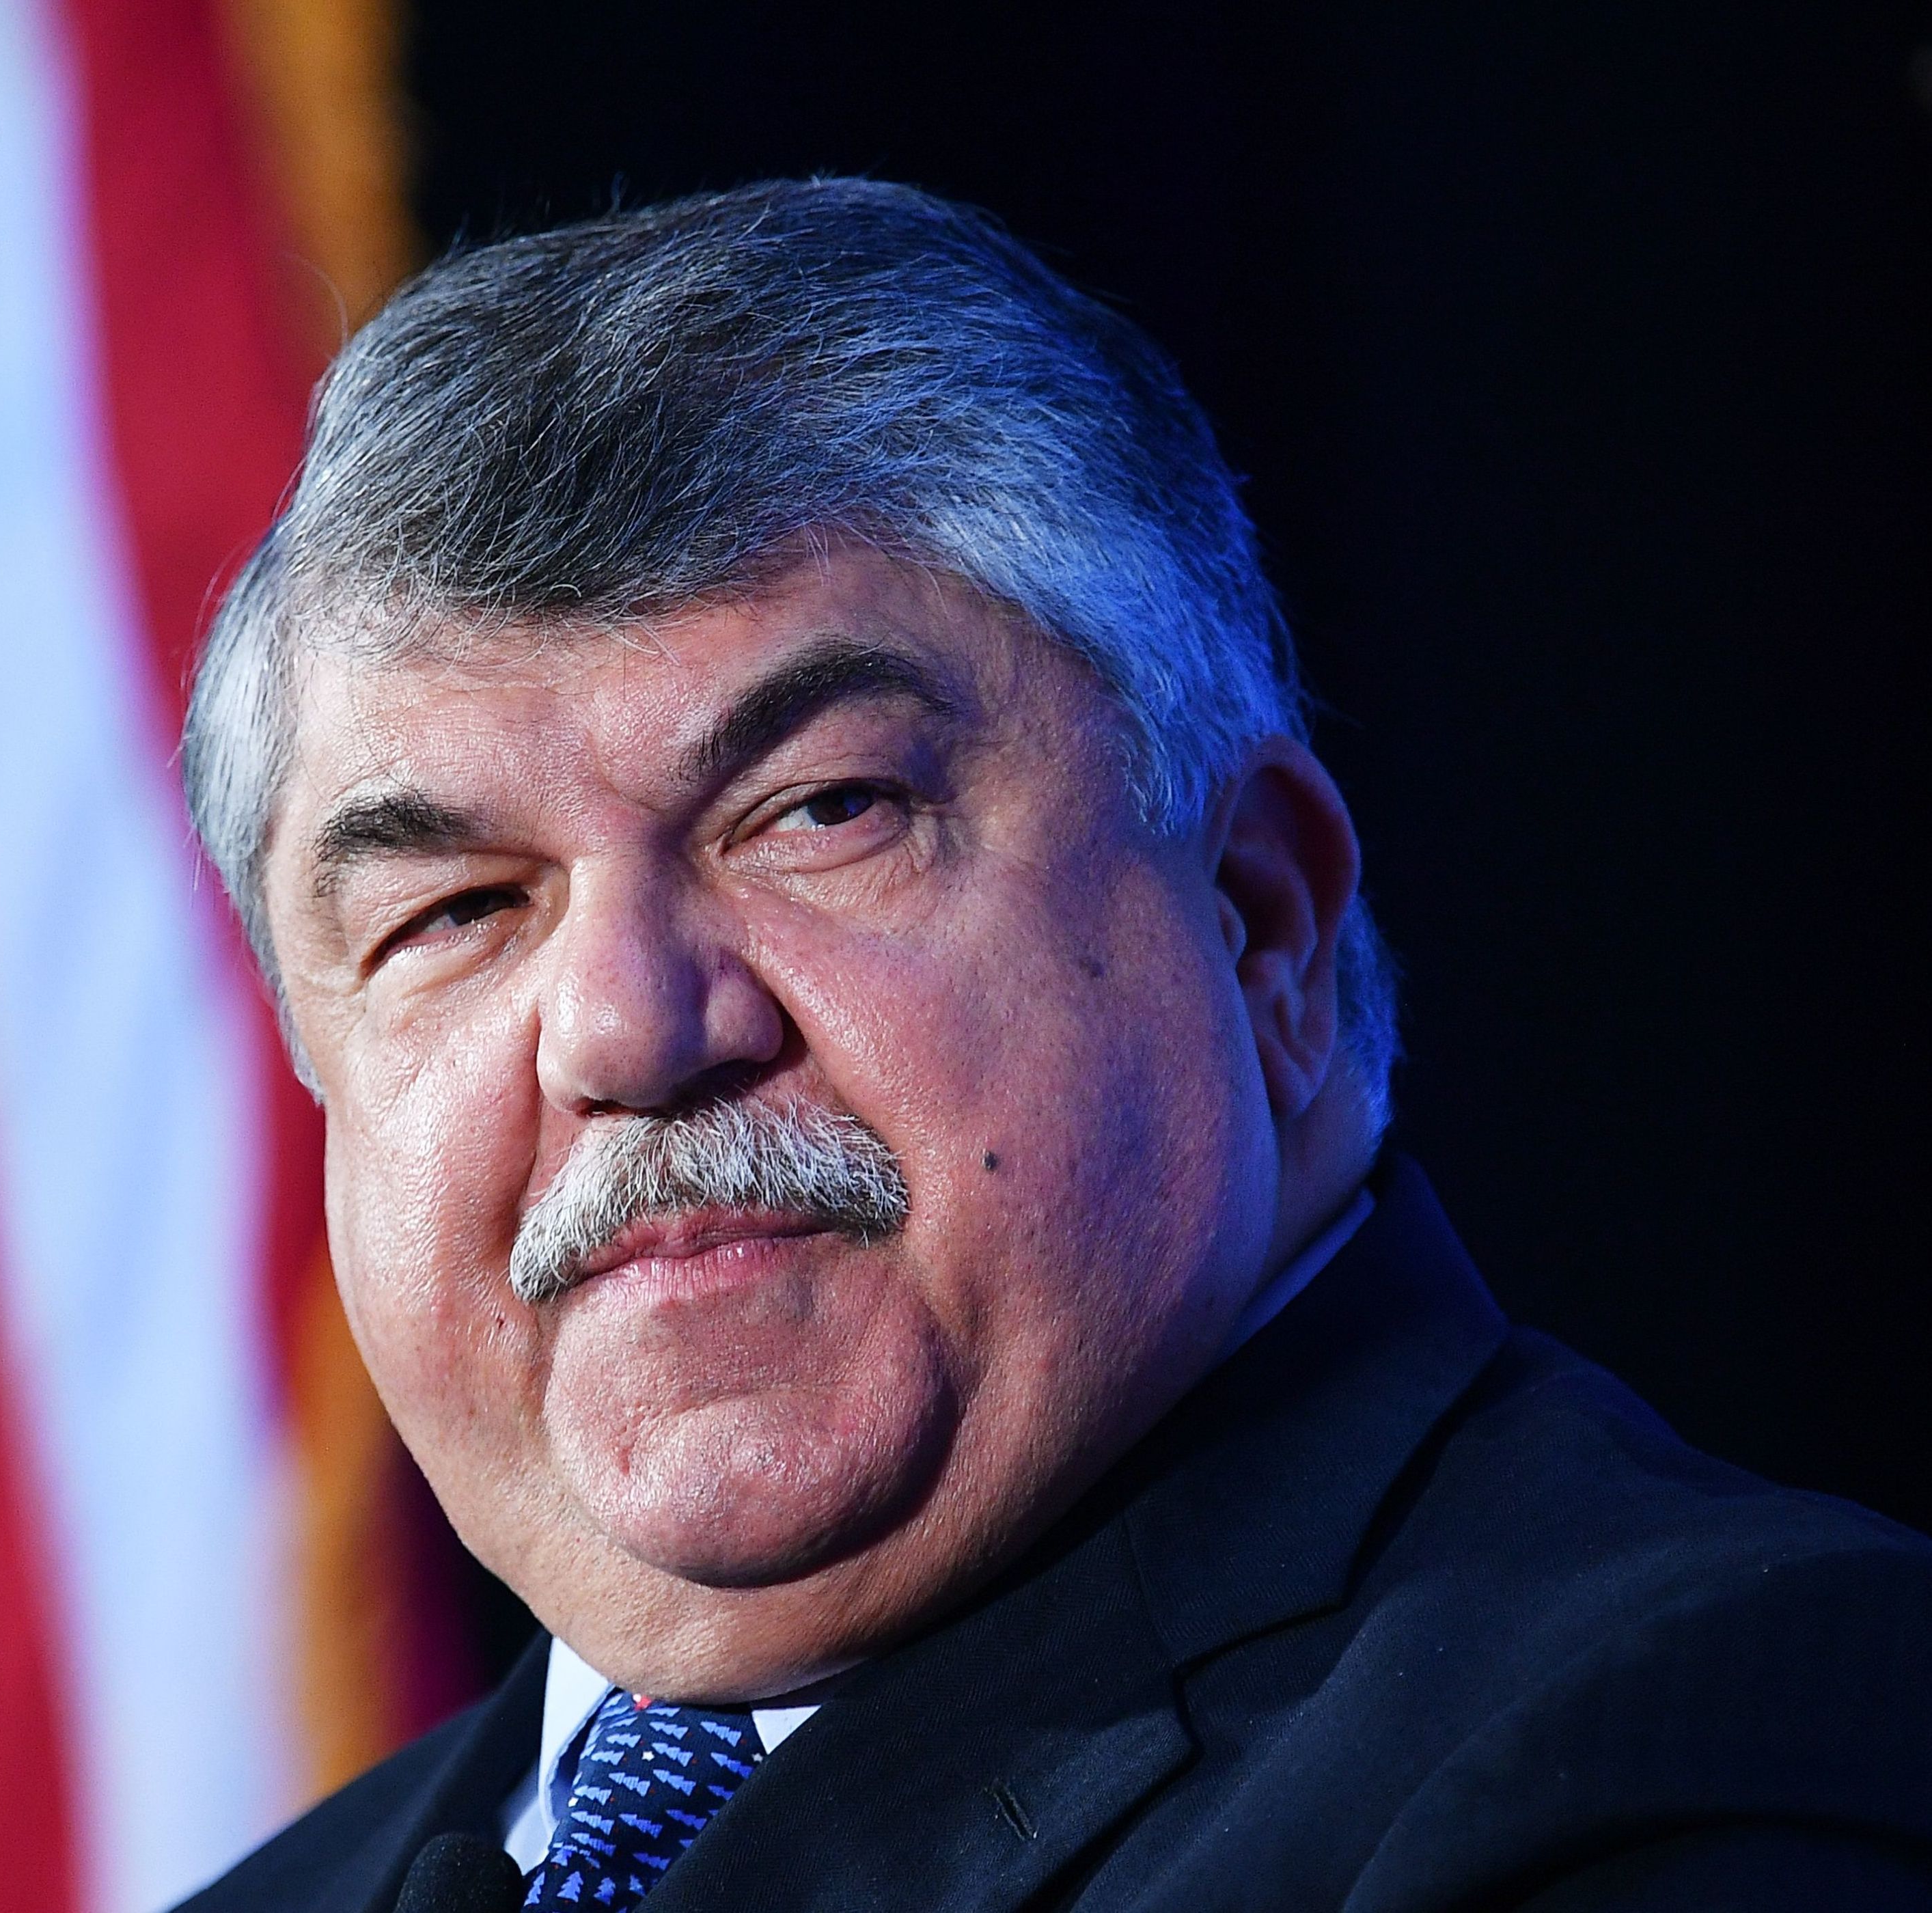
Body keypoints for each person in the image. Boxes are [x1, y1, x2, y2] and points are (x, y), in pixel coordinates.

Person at [171, 180, 1930, 1913]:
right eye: (455, 912)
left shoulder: (1703, 1760)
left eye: (818, 809)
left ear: (1259, 918)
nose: (628, 1028)